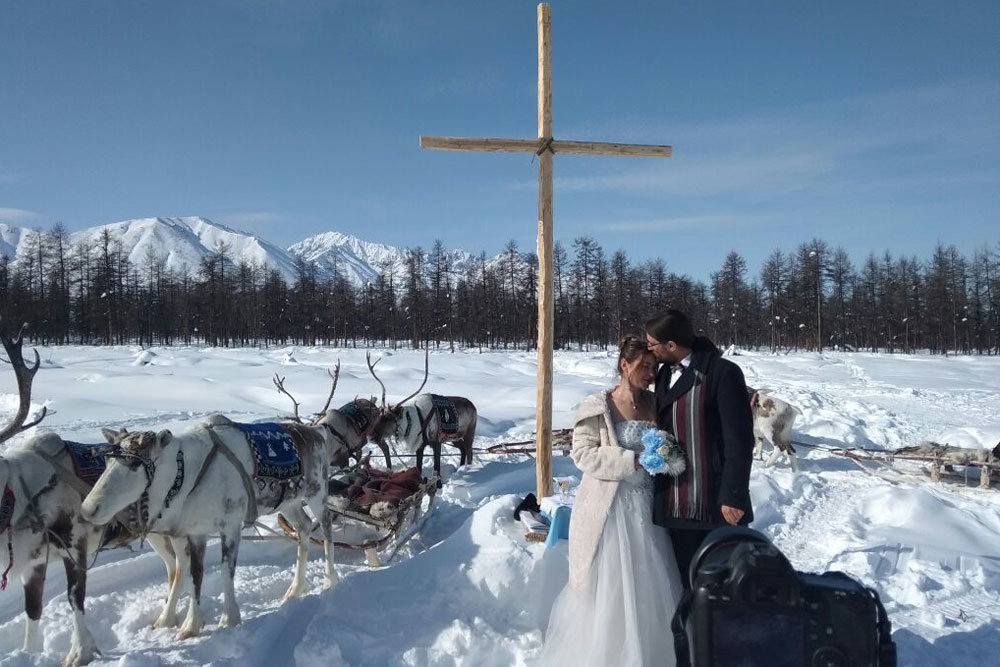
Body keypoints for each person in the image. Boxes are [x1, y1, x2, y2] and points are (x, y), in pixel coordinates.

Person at [540, 335, 684, 667]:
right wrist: (631, 461)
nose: (650, 373)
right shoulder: (598, 405)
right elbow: (583, 454)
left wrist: (666, 458)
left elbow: (668, 445)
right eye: (644, 367)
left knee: (652, 586)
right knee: (611, 590)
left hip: (648, 508)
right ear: (624, 365)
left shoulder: (654, 403)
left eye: (654, 367)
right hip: (610, 511)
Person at [645, 309, 755, 589]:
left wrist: (733, 494)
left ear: (671, 345)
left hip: (714, 501)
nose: (649, 351)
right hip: (675, 501)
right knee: (685, 584)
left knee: (724, 586)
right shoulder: (663, 375)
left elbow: (739, 440)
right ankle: (690, 633)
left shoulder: (723, 373)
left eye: (652, 345)